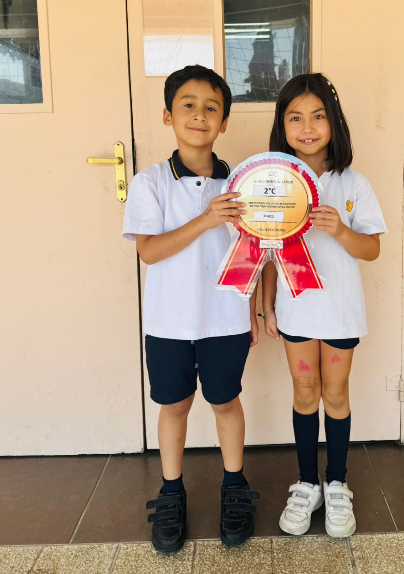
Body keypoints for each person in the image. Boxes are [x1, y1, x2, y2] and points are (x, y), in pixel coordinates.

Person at [122, 65, 260, 553]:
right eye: (188, 105)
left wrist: (251, 310)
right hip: (169, 321)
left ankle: (235, 486)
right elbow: (150, 251)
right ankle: (171, 492)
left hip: (225, 318)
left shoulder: (242, 183)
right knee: (175, 404)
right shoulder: (150, 182)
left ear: (223, 122)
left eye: (211, 108)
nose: (199, 115)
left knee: (225, 401)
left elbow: (252, 250)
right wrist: (205, 220)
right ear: (168, 116)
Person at [261, 72, 387, 538]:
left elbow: (372, 249)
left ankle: (336, 483)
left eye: (318, 116)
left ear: (334, 121)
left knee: (334, 394)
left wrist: (340, 230)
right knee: (304, 391)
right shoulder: (273, 183)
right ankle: (306, 483)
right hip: (296, 309)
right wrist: (267, 307)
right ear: (282, 126)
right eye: (295, 118)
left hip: (340, 311)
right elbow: (266, 249)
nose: (307, 127)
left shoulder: (354, 183)